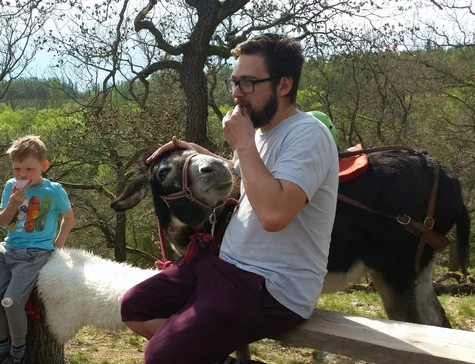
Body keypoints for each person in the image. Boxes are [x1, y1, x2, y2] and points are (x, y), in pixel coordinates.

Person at [123, 33, 340, 363]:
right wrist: (195, 156)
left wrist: (243, 144)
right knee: (134, 307)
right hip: (225, 266)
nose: (237, 93)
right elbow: (244, 175)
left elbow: (274, 216)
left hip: (270, 287)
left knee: (160, 356)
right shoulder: (264, 132)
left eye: (249, 83)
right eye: (234, 81)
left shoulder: (307, 133)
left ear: (284, 85)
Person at [0, 135, 75, 364]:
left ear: (44, 166)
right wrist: (13, 203)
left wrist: (59, 244)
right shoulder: (10, 187)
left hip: (35, 256)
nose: (21, 175)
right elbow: (3, 222)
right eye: (17, 169)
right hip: (8, 252)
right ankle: (1, 350)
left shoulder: (53, 191)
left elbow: (69, 217)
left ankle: (17, 353)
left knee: (11, 302)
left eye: (29, 169)